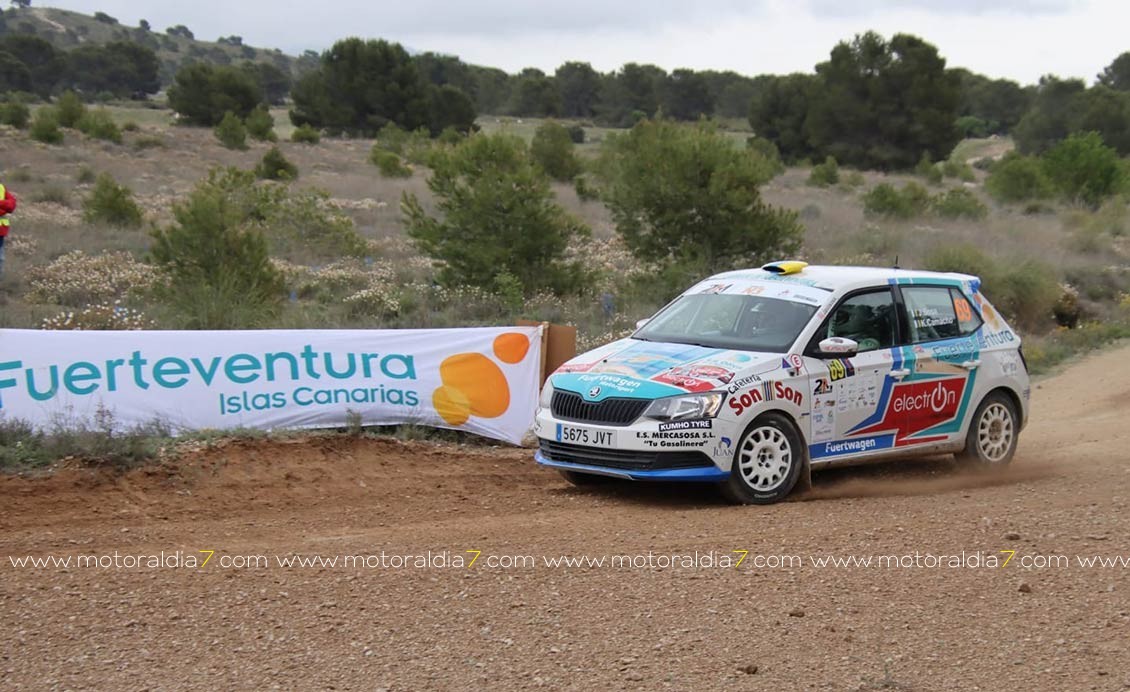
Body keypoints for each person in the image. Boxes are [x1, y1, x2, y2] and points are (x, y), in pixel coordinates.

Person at [0, 181, 16, 277]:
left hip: (0, 231)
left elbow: (11, 205)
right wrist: (3, 207)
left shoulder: (1, 187)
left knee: (0, 259)